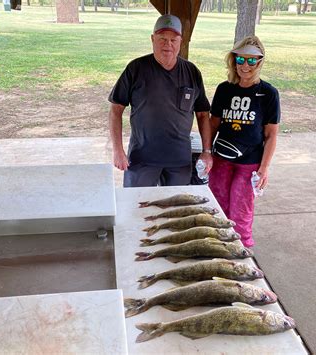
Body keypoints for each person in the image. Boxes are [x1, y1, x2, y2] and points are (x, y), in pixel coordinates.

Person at [108, 14, 212, 187]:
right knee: (136, 206)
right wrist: (118, 150)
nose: (168, 44)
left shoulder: (192, 72)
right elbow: (115, 110)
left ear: (181, 41)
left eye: (173, 39)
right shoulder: (136, 69)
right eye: (162, 38)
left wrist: (206, 151)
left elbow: (203, 114)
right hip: (141, 160)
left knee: (176, 210)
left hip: (179, 161)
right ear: (152, 39)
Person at [208, 36, 280, 248]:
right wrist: (207, 153)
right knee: (217, 206)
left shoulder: (268, 93)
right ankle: (214, 247)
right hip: (222, 159)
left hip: (249, 163)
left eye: (251, 60)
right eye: (240, 60)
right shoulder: (224, 89)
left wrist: (264, 169)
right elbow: (213, 125)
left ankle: (240, 252)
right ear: (234, 60)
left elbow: (271, 135)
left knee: (241, 210)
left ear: (259, 62)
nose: (245, 66)